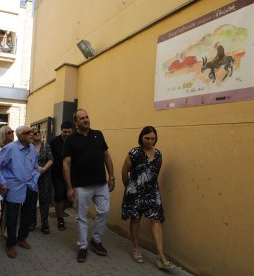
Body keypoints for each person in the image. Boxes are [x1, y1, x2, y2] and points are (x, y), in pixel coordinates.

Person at [63, 109, 115, 263]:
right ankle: (83, 246)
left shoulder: (98, 134)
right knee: (81, 217)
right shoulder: (71, 140)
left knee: (104, 211)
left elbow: (106, 155)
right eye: (82, 118)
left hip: (101, 183)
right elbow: (66, 163)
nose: (86, 120)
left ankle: (96, 240)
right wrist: (69, 187)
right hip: (82, 186)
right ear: (76, 122)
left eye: (87, 117)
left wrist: (111, 177)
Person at [121, 126, 173, 270]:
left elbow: (155, 173)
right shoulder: (134, 153)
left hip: (152, 191)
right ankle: (136, 248)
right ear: (141, 138)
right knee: (135, 218)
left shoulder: (158, 154)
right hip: (135, 191)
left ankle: (161, 256)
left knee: (156, 219)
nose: (150, 141)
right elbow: (124, 172)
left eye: (153, 138)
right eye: (147, 138)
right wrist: (129, 188)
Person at [0, 126, 40, 259]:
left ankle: (22, 238)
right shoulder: (10, 149)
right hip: (14, 188)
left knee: (28, 216)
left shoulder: (32, 149)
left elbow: (36, 168)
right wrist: (3, 182)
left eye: (31, 132)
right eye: (28, 133)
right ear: (20, 136)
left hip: (30, 187)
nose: (32, 135)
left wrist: (35, 180)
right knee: (12, 218)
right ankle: (10, 244)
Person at [49, 121, 73, 230]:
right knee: (59, 196)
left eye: (69, 132)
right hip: (58, 174)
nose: (67, 134)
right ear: (61, 130)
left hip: (72, 175)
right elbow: (50, 158)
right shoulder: (54, 142)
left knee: (69, 199)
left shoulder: (75, 141)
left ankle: (60, 212)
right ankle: (60, 219)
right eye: (65, 131)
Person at [30, 127, 53, 234]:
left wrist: (43, 169)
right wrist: (35, 168)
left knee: (44, 201)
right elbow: (26, 161)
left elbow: (51, 159)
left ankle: (45, 224)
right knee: (32, 201)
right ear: (31, 136)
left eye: (38, 132)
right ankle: (32, 223)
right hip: (32, 177)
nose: (37, 134)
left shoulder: (46, 145)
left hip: (44, 177)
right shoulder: (29, 147)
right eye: (34, 133)